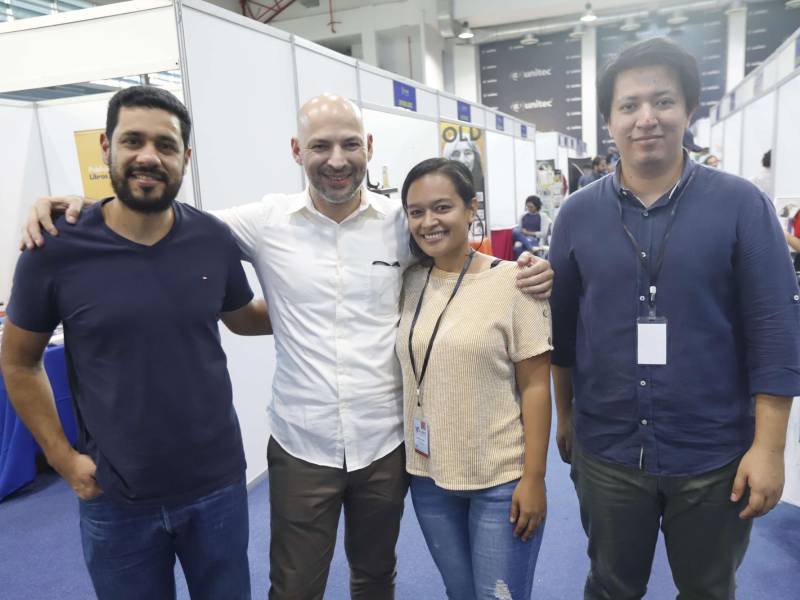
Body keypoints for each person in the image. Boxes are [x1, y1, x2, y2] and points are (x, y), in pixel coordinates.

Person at [20, 93, 555, 600]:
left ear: (368, 146)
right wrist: (89, 205)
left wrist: (525, 270)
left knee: (376, 578)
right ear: (298, 152)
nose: (336, 159)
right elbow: (161, 217)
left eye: (349, 144)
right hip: (304, 442)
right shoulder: (262, 223)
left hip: (386, 442)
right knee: (295, 585)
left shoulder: (402, 222)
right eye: (320, 146)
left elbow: (455, 251)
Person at [549, 37, 800, 600]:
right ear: (608, 121)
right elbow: (562, 332)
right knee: (611, 585)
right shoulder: (576, 215)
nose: (646, 119)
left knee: (709, 589)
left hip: (713, 455)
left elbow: (776, 334)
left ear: (688, 110)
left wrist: (769, 449)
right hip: (609, 450)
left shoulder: (741, 205)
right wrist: (566, 418)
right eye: (629, 106)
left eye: (663, 102)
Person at [0, 86, 272, 600]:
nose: (149, 156)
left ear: (185, 158)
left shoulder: (211, 240)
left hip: (216, 487)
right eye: (133, 140)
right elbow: (18, 363)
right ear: (107, 147)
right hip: (114, 496)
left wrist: (335, 306)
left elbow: (243, 319)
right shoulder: (54, 246)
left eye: (165, 145)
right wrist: (62, 458)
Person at [397, 158, 552, 600]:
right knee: (460, 594)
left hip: (500, 479)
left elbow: (536, 387)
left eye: (442, 207)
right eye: (416, 212)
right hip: (427, 476)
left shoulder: (515, 283)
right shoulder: (408, 281)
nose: (429, 222)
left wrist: (534, 478)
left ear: (471, 209)